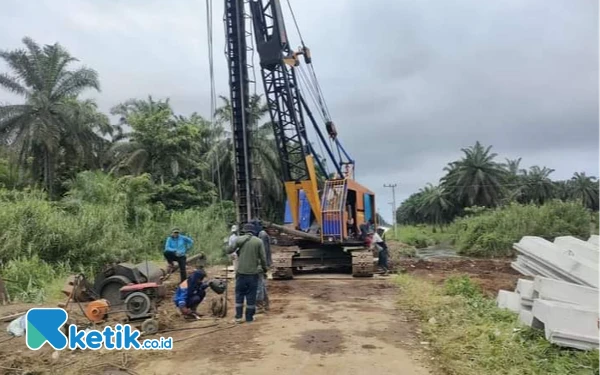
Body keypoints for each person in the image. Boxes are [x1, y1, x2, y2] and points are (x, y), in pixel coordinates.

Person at [226, 222, 267, 323]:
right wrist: (264, 269)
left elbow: (229, 250)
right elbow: (263, 258)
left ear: (244, 231)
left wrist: (226, 244)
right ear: (254, 232)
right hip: (253, 274)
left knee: (239, 295)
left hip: (241, 273)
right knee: (251, 296)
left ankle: (238, 317)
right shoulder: (258, 241)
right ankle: (249, 318)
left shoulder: (238, 239)